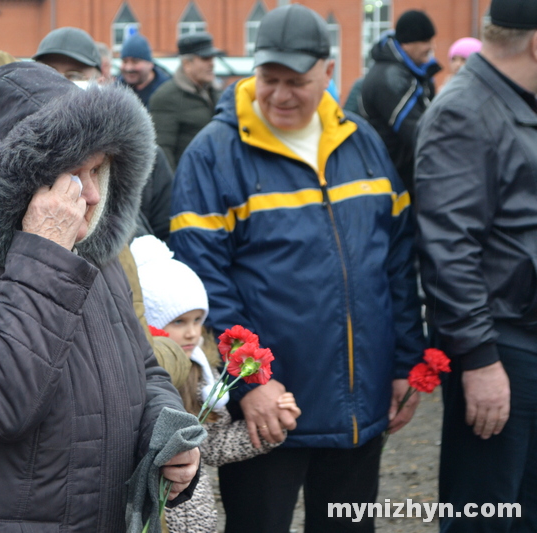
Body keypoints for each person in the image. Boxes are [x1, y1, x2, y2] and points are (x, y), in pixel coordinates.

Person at [0, 61, 200, 531]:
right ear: (16, 177)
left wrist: (165, 434)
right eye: (74, 174)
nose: (93, 196)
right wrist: (45, 253)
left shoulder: (91, 250)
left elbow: (143, 367)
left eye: (99, 170)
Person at [169, 4, 425, 532]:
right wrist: (251, 383)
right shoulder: (215, 154)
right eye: (269, 79)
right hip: (271, 409)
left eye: (297, 82)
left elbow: (397, 263)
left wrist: (405, 362)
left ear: (328, 73)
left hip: (360, 404)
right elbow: (204, 283)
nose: (281, 95)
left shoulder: (363, 142)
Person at [415, 0, 537, 529]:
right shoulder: (465, 109)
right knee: (485, 512)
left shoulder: (513, 100)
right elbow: (449, 250)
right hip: (499, 347)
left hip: (520, 335)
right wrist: (481, 360)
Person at [130, 234, 301, 533]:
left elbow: (212, 445)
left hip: (196, 521)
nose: (192, 333)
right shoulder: (134, 381)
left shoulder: (201, 373)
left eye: (198, 320)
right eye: (179, 322)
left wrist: (269, 429)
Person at [34, 26, 175, 241]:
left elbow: (162, 229)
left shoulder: (139, 155)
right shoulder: (21, 152)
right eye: (49, 73)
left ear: (101, 81)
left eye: (75, 75)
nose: (59, 84)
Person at [361, 10, 441, 200]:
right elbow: (418, 132)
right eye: (425, 41)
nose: (431, 47)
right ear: (406, 44)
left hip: (403, 179)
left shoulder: (409, 73)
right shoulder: (389, 78)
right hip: (392, 182)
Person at [149, 32, 222, 170]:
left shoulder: (216, 92)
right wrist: (177, 188)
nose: (212, 64)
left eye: (212, 58)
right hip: (189, 183)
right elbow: (163, 151)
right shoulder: (166, 97)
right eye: (205, 58)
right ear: (187, 64)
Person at [117, 33, 170, 106]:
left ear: (150, 63)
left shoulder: (167, 90)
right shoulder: (116, 89)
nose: (128, 68)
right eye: (125, 62)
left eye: (135, 62)